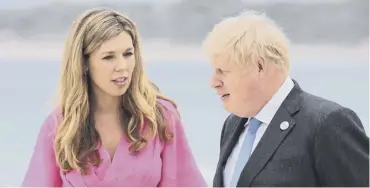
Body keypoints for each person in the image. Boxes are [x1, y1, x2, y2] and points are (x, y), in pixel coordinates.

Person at [22, 8, 207, 187]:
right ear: (84, 63)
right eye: (109, 57)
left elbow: (184, 183)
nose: (122, 66)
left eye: (128, 54)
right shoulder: (59, 126)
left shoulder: (160, 117)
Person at [202, 10, 369, 187]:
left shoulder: (327, 123)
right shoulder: (233, 124)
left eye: (222, 71)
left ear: (259, 66)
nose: (213, 82)